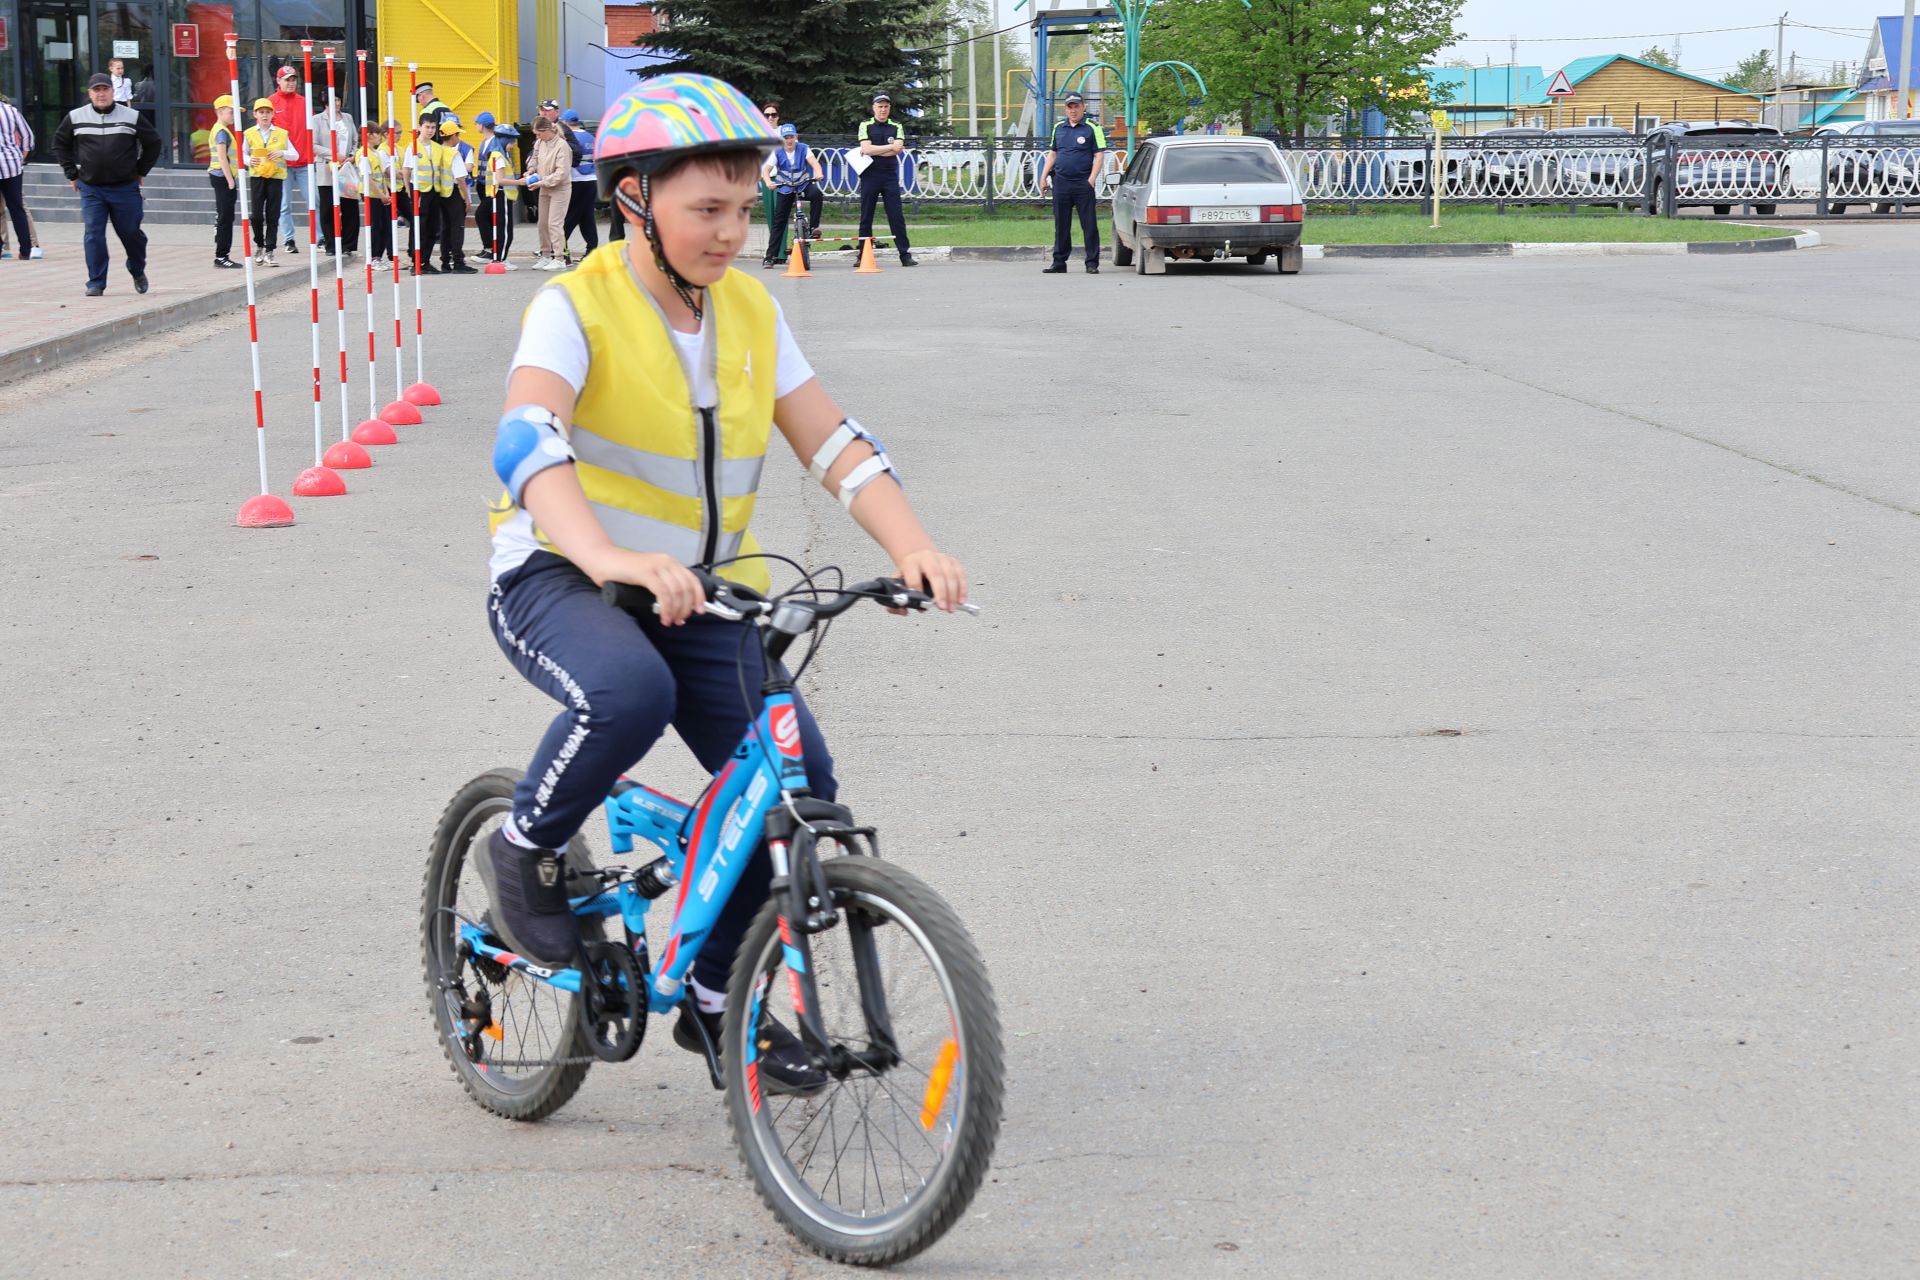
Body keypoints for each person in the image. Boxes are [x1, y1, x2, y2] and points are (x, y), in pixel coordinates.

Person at [482, 72, 967, 1091]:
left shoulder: (747, 310)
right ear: (634, 201)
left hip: (704, 589)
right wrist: (607, 554)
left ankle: (714, 1001)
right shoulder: (574, 305)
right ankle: (524, 848)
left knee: (798, 784)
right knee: (628, 690)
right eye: (707, 209)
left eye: (745, 210)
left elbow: (831, 439)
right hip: (565, 576)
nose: (731, 233)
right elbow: (526, 433)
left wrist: (910, 543)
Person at [51, 72, 160, 296]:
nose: (101, 94)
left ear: (113, 91)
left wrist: (141, 170)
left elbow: (154, 143)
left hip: (125, 187)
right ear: (89, 93)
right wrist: (72, 173)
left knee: (131, 233)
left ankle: (137, 268)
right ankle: (96, 282)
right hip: (92, 188)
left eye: (105, 89)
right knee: (93, 234)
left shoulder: (131, 116)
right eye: (96, 90)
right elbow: (60, 144)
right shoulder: (75, 117)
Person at [1039, 91, 1105, 275]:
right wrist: (1043, 177)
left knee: (1089, 224)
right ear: (1065, 109)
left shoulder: (1092, 128)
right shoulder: (1059, 128)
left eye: (1076, 106)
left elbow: (1099, 155)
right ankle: (1059, 262)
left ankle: (1092, 263)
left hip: (1083, 184)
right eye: (1070, 107)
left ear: (1083, 107)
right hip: (1061, 183)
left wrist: (1091, 179)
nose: (1073, 110)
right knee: (1061, 224)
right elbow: (1053, 153)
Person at [855, 91, 915, 266]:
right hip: (870, 175)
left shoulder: (896, 126)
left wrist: (877, 149)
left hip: (889, 176)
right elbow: (866, 149)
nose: (883, 110)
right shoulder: (865, 125)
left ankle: (905, 254)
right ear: (874, 108)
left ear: (889, 108)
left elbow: (898, 150)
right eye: (880, 106)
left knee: (896, 215)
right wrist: (889, 147)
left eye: (886, 107)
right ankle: (862, 254)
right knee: (866, 215)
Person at [761, 123, 823, 268]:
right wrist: (769, 181)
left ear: (796, 137)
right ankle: (770, 256)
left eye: (791, 137)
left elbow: (814, 163)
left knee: (816, 194)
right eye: (786, 138)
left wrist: (818, 173)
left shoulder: (803, 148)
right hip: (785, 187)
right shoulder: (776, 151)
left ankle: (814, 227)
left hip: (803, 183)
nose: (789, 140)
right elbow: (766, 170)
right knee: (779, 221)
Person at [243, 97, 297, 266]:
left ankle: (270, 250)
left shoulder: (281, 133)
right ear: (255, 115)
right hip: (258, 177)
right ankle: (259, 244)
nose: (264, 115)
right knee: (257, 215)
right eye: (261, 112)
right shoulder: (249, 133)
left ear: (273, 114)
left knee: (273, 215)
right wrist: (249, 160)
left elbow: (295, 155)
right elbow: (242, 154)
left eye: (267, 112)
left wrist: (282, 153)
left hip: (275, 178)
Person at [268, 65, 313, 253]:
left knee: (313, 202)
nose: (291, 83)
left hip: (303, 161)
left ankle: (319, 238)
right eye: (287, 79)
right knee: (284, 205)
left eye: (293, 79)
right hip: (282, 163)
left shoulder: (304, 101)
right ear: (278, 81)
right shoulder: (270, 103)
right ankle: (289, 240)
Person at [313, 91, 359, 257]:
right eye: (333, 100)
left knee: (350, 207)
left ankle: (348, 244)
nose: (337, 103)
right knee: (327, 208)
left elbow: (355, 139)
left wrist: (352, 156)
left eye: (338, 99)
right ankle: (331, 244)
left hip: (346, 168)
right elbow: (313, 145)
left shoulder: (347, 118)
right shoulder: (317, 120)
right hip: (327, 168)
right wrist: (333, 154)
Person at [523, 115, 570, 270]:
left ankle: (559, 258)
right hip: (543, 187)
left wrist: (541, 182)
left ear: (548, 130)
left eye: (539, 133)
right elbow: (534, 158)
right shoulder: (540, 142)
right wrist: (530, 170)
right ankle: (545, 255)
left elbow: (561, 173)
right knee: (542, 223)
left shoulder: (562, 146)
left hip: (559, 189)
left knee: (554, 223)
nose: (537, 137)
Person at [435, 116, 477, 273]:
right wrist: (467, 198)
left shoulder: (437, 151)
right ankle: (458, 262)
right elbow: (461, 178)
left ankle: (445, 262)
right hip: (454, 194)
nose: (458, 138)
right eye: (457, 135)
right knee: (457, 228)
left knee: (445, 228)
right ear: (452, 136)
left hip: (441, 194)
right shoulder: (454, 154)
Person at [0, 92, 36, 262]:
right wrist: (21, 156)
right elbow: (28, 136)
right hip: (12, 166)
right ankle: (25, 250)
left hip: (10, 165)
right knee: (17, 208)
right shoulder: (10, 110)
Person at [206, 94, 241, 268]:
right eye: (231, 112)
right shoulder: (221, 131)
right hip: (223, 177)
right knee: (226, 217)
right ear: (220, 111)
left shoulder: (220, 129)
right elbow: (222, 158)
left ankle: (221, 253)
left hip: (220, 177)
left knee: (224, 215)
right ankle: (221, 256)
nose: (234, 116)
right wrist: (231, 181)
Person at [560, 109, 599, 264]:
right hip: (591, 179)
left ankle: (562, 250)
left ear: (565, 123)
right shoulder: (591, 136)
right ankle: (592, 249)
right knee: (586, 216)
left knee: (570, 216)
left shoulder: (568, 138)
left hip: (575, 180)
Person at [362, 121, 394, 269]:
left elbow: (380, 175)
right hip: (371, 195)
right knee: (376, 226)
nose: (379, 137)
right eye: (377, 134)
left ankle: (379, 257)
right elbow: (367, 178)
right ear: (368, 135)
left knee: (384, 226)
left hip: (380, 194)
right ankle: (374, 257)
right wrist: (381, 194)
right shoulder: (363, 154)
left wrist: (386, 193)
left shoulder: (375, 152)